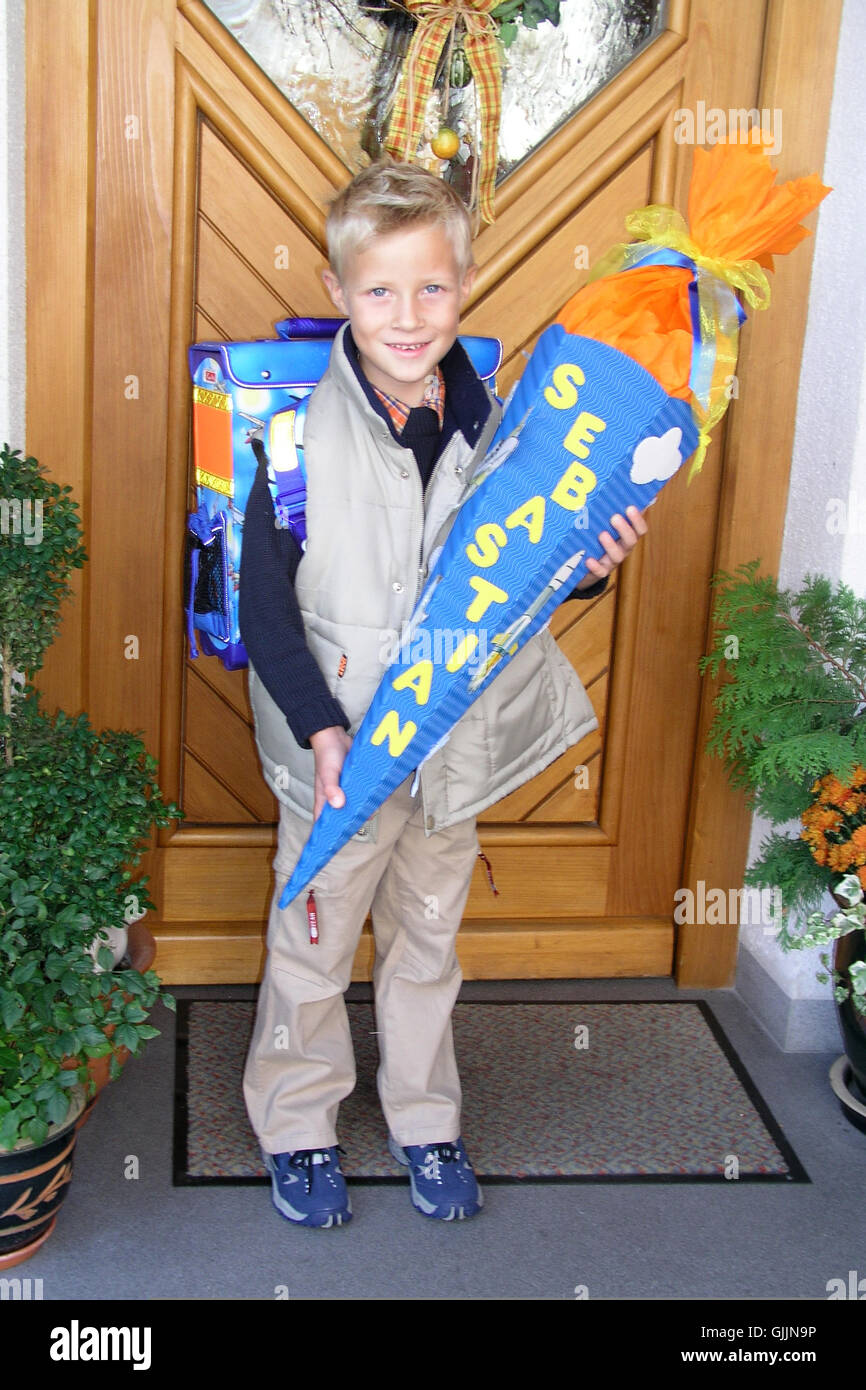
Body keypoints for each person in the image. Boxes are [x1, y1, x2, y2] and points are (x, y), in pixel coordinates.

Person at [239, 158, 647, 1228]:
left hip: (451, 752)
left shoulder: (511, 430)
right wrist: (320, 726)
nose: (406, 315)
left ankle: (423, 1114)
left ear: (463, 288)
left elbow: (537, 562)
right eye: (379, 290)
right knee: (313, 943)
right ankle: (296, 1119)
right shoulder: (290, 431)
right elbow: (264, 607)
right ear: (338, 292)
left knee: (426, 940)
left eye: (431, 288)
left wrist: (595, 555)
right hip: (340, 755)